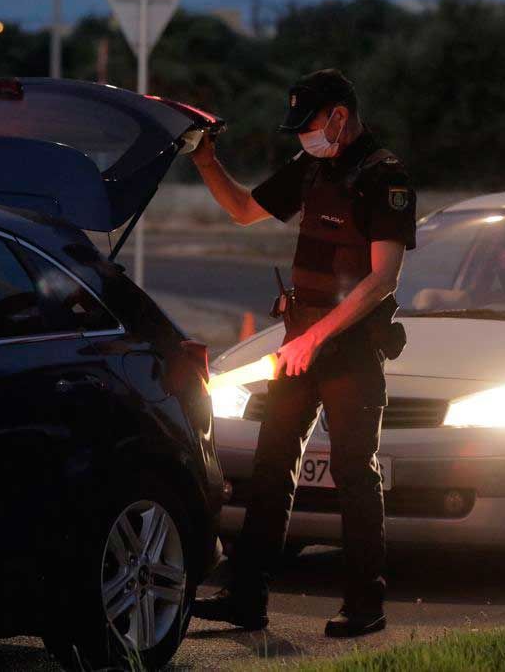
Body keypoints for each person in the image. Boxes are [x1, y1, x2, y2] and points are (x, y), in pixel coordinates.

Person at [189, 69, 417, 637]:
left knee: (353, 474)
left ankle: (365, 605)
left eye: (309, 125)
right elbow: (243, 210)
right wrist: (203, 159)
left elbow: (383, 278)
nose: (302, 137)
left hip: (350, 352)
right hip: (299, 343)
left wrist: (319, 336)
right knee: (270, 467)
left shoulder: (384, 176)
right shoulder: (312, 167)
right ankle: (247, 599)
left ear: (339, 115)